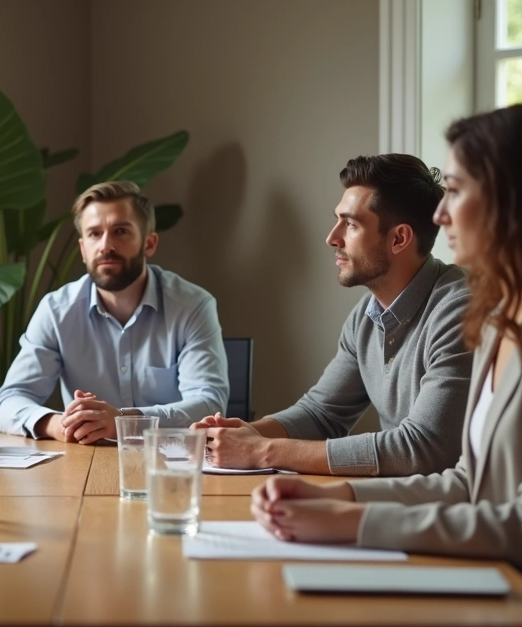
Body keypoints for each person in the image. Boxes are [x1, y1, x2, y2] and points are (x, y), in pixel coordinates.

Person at [250, 105, 522, 627]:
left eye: (458, 191)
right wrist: (337, 495)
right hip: (496, 588)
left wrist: (351, 520)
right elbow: (469, 481)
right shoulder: (499, 322)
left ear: (517, 205)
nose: (440, 216)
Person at [194, 154, 471, 476]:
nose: (332, 238)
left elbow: (423, 449)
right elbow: (322, 413)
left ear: (399, 239)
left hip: (457, 514)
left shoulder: (460, 310)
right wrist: (245, 434)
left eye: (351, 224)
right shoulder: (366, 317)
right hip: (403, 502)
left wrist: (264, 450)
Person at [0, 180, 228, 443]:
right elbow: (8, 401)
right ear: (83, 249)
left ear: (149, 244)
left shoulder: (192, 306)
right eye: (94, 234)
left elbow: (209, 404)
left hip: (168, 462)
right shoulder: (56, 311)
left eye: (121, 231)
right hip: (81, 464)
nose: (106, 245)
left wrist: (125, 423)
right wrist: (60, 425)